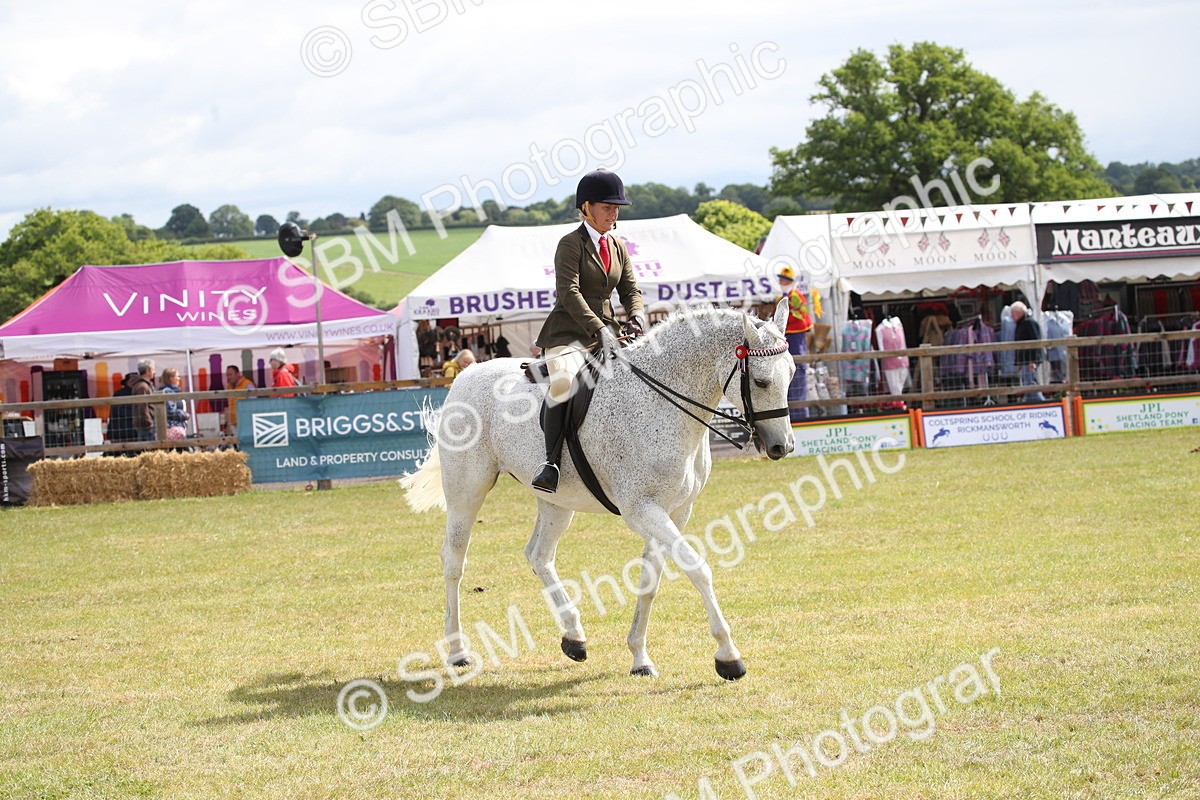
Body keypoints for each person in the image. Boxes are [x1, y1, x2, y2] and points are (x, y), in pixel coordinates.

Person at [531, 168, 646, 493]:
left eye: (616, 207)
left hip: (609, 331)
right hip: (568, 332)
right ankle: (551, 463)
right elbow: (569, 292)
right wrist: (597, 328)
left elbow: (631, 290)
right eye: (607, 206)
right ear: (586, 207)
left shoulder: (618, 246)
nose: (614, 213)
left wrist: (635, 315)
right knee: (564, 381)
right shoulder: (570, 244)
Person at [777, 266, 821, 422]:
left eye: (783, 279)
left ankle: (800, 414)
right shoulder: (784, 296)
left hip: (795, 335)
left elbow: (800, 317)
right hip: (787, 336)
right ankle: (791, 415)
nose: (780, 282)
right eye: (780, 279)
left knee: (798, 371)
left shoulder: (796, 296)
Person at [1011, 301, 1046, 402]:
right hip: (1025, 359)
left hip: (1030, 359)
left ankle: (1042, 403)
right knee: (1028, 383)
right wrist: (1018, 362)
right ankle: (1031, 403)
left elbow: (1036, 342)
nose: (1012, 316)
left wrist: (1034, 361)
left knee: (1031, 383)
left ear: (1019, 313)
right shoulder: (1021, 324)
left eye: (1013, 313)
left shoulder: (1029, 323)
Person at [107, 373, 138, 447]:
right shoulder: (134, 393)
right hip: (128, 431)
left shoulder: (118, 393)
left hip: (118, 431)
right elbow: (123, 412)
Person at [129, 359, 157, 442]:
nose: (154, 372)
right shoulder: (143, 386)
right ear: (148, 370)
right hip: (146, 425)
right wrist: (149, 423)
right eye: (153, 369)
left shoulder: (142, 385)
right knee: (148, 448)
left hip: (143, 424)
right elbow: (143, 407)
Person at [159, 367, 189, 439]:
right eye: (177, 376)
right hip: (171, 428)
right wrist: (184, 415)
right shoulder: (167, 392)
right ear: (171, 378)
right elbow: (169, 411)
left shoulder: (173, 392)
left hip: (175, 426)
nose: (179, 378)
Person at [224, 365, 256, 434]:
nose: (228, 377)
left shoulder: (248, 385)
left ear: (238, 374)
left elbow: (254, 405)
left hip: (247, 424)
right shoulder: (228, 387)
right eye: (227, 375)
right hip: (234, 425)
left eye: (230, 375)